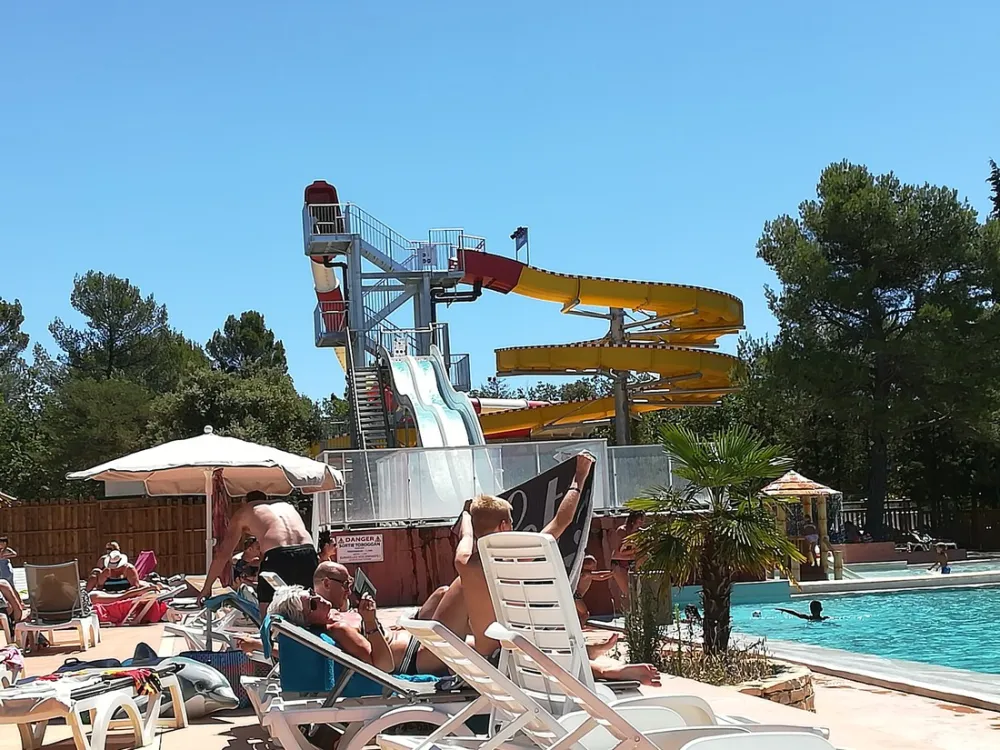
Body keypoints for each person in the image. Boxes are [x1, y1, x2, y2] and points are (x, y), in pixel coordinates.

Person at [432, 452, 661, 685]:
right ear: (503, 526)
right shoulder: (511, 561)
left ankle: (591, 655)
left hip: (487, 656)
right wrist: (579, 478)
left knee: (526, 645)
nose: (513, 525)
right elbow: (561, 521)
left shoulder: (463, 563)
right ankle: (609, 671)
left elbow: (466, 533)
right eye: (511, 521)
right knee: (539, 651)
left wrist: (468, 514)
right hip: (507, 661)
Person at [199, 490, 319, 617]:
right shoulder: (285, 505)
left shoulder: (244, 512)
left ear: (244, 502)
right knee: (309, 608)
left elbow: (222, 555)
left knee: (269, 615)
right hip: (308, 552)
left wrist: (206, 589)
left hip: (278, 554)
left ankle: (269, 635)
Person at [267, 582, 396, 673]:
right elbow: (385, 667)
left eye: (312, 592)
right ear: (304, 620)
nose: (319, 598)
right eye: (312, 604)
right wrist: (370, 621)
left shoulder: (331, 615)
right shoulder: (338, 630)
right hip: (410, 657)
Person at [610, 511, 645, 609]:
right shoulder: (622, 531)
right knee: (627, 592)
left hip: (632, 562)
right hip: (619, 563)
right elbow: (616, 554)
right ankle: (629, 614)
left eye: (643, 520)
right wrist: (632, 554)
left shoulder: (641, 533)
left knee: (637, 591)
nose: (641, 523)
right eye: (639, 520)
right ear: (633, 521)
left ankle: (636, 613)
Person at [574, 555, 612, 626]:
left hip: (577, 596)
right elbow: (599, 575)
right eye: (590, 566)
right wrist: (611, 573)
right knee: (585, 614)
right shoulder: (584, 574)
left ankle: (578, 626)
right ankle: (579, 627)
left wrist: (610, 574)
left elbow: (600, 578)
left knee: (578, 613)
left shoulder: (589, 575)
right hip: (575, 596)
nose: (594, 568)